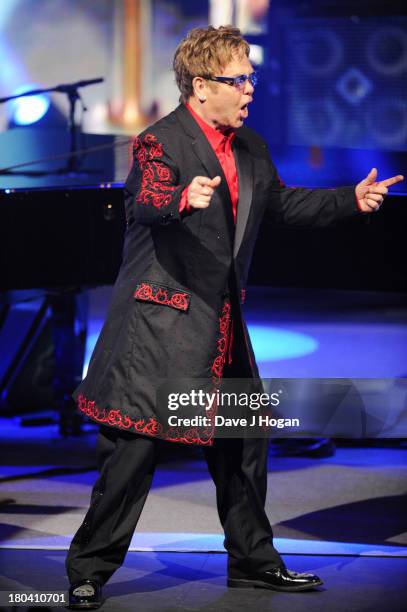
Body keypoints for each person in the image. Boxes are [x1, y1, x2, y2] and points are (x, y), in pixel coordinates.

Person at [66, 25, 403, 609]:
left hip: (221, 325)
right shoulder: (159, 142)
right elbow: (143, 199)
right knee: (133, 455)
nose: (250, 89)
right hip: (160, 328)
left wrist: (349, 199)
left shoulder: (250, 147)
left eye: (252, 77)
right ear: (200, 86)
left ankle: (254, 563)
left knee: (243, 444)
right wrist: (179, 200)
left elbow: (282, 205)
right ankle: (87, 570)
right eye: (238, 79)